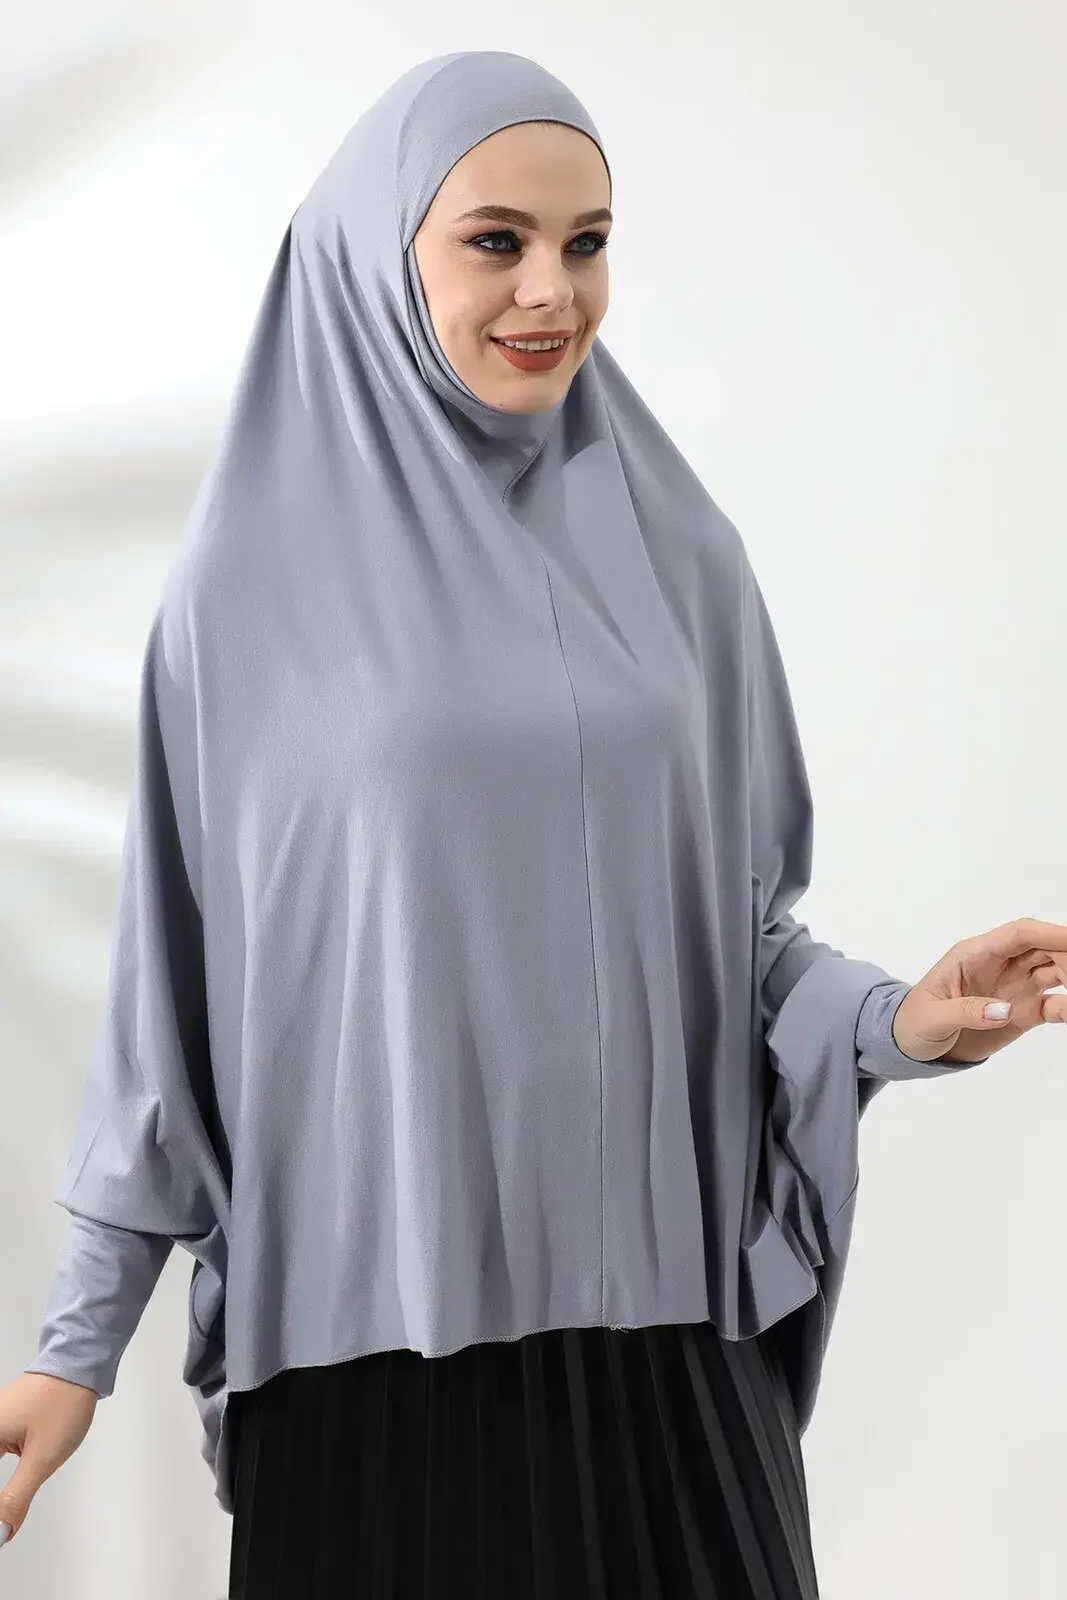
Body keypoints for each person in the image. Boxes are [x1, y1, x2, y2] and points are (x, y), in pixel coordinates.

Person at [3, 49, 1064, 1599]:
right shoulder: (244, 603)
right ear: (378, 254)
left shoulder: (679, 557)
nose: (550, 292)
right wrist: (72, 1352)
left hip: (666, 1362)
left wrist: (899, 1021)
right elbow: (169, 1022)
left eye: (587, 241)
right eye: (494, 240)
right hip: (373, 1368)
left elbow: (734, 942)